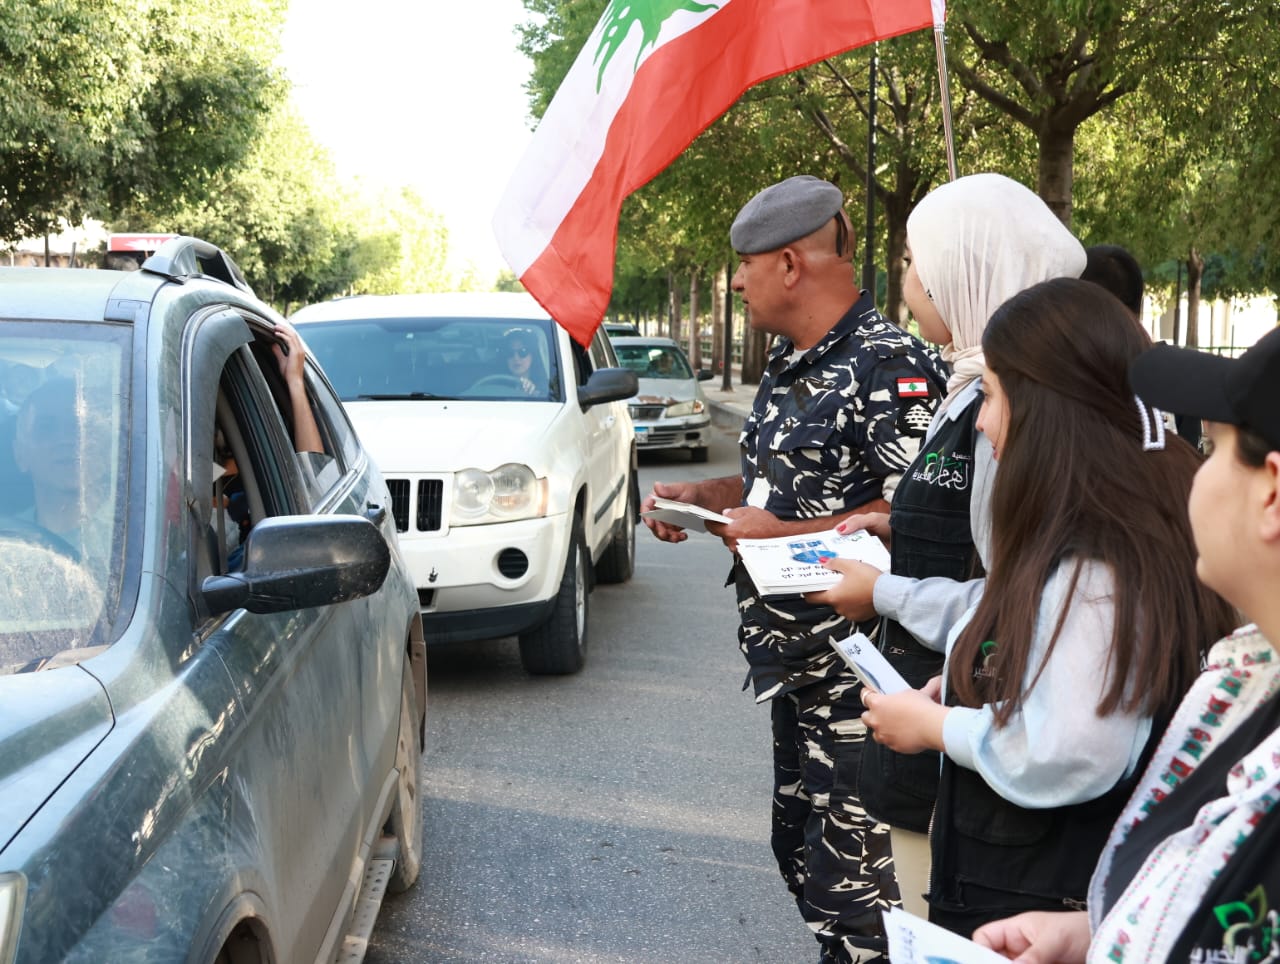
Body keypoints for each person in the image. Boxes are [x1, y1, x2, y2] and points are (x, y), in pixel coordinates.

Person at [846, 278, 1237, 939]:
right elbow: (1043, 644)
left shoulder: (1094, 559)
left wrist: (940, 728)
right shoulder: (1100, 526)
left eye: (991, 395)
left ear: (1043, 407)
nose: (981, 422)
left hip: (1031, 901)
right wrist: (972, 686)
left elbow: (1071, 748)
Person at [641, 174, 948, 963]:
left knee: (863, 915)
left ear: (788, 264)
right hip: (797, 679)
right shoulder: (789, 361)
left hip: (866, 688)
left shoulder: (892, 366)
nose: (736, 283)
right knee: (805, 866)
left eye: (745, 265)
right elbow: (774, 486)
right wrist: (704, 499)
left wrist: (782, 532)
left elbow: (911, 521)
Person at [806, 173, 1093, 919]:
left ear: (964, 272)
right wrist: (899, 528)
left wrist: (883, 592)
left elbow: (1017, 596)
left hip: (970, 740)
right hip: (945, 717)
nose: (906, 280)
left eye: (916, 260)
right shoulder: (969, 384)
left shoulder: (1016, 413)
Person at [974, 324, 1280, 963]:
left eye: (1212, 448)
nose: (1189, 469)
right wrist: (1103, 933)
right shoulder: (1253, 680)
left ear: (1271, 493)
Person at [503, 328, 548, 397]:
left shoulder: (547, 387)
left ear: (533, 355)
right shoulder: (495, 385)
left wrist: (533, 393)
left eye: (523, 352)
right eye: (510, 352)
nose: (516, 358)